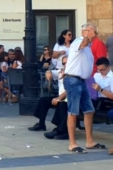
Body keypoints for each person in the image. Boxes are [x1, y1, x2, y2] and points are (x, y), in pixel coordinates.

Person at [63, 23, 106, 153]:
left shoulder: (89, 47)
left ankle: (89, 141)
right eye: (93, 32)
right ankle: (72, 143)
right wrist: (86, 36)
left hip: (82, 81)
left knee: (89, 110)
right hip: (73, 80)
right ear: (86, 31)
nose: (95, 35)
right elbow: (82, 45)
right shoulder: (78, 41)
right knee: (73, 112)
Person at [28, 56, 69, 136]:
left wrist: (58, 98)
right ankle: (41, 123)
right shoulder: (61, 71)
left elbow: (70, 89)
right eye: (63, 63)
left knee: (62, 103)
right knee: (43, 100)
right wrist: (48, 73)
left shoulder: (73, 73)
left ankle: (60, 129)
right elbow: (50, 72)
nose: (65, 65)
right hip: (60, 96)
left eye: (66, 63)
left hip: (67, 98)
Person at [91, 57, 113, 155]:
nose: (101, 72)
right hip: (95, 99)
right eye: (99, 70)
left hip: (107, 102)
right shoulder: (97, 75)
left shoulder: (112, 77)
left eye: (102, 70)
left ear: (108, 67)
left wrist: (100, 90)